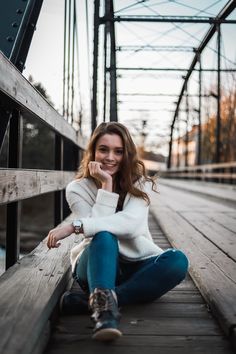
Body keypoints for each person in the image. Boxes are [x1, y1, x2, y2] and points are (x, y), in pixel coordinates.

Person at [47, 122, 189, 342]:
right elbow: (97, 231)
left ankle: (94, 300)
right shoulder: (78, 188)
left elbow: (131, 226)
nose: (110, 157)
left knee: (178, 260)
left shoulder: (142, 184)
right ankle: (105, 316)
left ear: (127, 154)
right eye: (103, 149)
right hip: (95, 264)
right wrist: (106, 184)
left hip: (134, 263)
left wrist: (75, 226)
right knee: (104, 235)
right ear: (93, 151)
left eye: (118, 151)